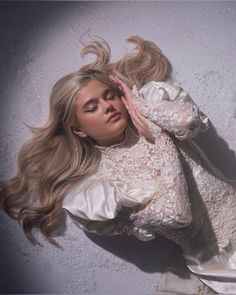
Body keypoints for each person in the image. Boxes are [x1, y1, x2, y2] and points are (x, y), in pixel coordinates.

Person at [1, 35, 236, 294]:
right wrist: (158, 138)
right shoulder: (102, 186)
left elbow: (189, 122)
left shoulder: (150, 107)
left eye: (109, 96)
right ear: (78, 130)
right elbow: (178, 214)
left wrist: (141, 107)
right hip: (219, 262)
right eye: (92, 107)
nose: (107, 107)